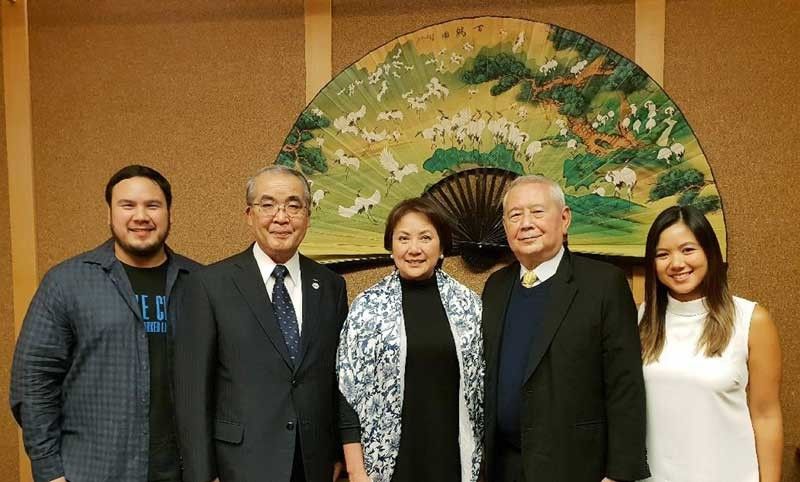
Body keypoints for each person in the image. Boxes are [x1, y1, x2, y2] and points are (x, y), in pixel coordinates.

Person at [10, 165, 200, 482]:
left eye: (153, 205)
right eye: (127, 205)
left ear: (169, 213)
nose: (141, 216)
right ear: (108, 214)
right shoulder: (67, 282)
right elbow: (32, 383)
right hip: (92, 471)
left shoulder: (200, 283)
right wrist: (50, 471)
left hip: (181, 472)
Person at [174, 165, 348, 482]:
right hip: (238, 464)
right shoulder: (209, 285)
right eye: (267, 205)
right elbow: (192, 392)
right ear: (249, 215)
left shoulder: (330, 285)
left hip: (314, 464)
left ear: (308, 216)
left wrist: (337, 452)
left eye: (294, 205)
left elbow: (337, 377)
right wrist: (201, 474)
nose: (281, 217)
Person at [481, 175, 649, 482]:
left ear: (565, 218)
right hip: (505, 467)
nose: (526, 223)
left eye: (537, 212)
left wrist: (620, 474)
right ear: (505, 227)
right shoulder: (495, 287)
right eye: (515, 215)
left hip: (577, 466)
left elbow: (625, 384)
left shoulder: (603, 284)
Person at [337, 197, 484, 482]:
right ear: (391, 247)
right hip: (387, 464)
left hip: (453, 458)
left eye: (426, 238)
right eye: (403, 238)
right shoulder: (367, 308)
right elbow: (346, 391)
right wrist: (356, 470)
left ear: (442, 247)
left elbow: (485, 388)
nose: (414, 249)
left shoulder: (469, 306)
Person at [638, 205, 783, 482]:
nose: (677, 263)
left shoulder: (751, 320)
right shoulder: (640, 319)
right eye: (662, 254)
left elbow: (766, 416)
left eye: (688, 249)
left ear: (710, 252)